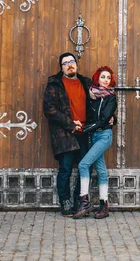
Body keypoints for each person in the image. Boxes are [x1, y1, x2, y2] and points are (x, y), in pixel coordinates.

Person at [43, 52, 91, 217]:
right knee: (66, 169)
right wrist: (70, 124)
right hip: (65, 133)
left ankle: (79, 200)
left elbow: (100, 102)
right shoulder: (55, 84)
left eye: (72, 61)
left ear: (76, 64)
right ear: (61, 67)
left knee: (86, 167)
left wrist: (110, 118)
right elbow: (49, 109)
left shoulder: (86, 83)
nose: (69, 64)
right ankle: (65, 201)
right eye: (65, 63)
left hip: (85, 132)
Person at [73, 66, 117, 219]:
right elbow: (91, 116)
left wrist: (85, 128)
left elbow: (104, 118)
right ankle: (104, 206)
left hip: (104, 136)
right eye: (103, 77)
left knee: (83, 165)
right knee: (102, 171)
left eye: (108, 78)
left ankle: (84, 202)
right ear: (97, 78)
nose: (106, 80)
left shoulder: (111, 97)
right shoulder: (91, 95)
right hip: (94, 137)